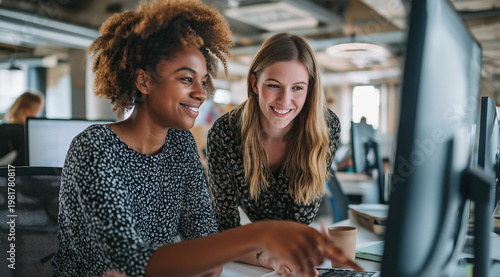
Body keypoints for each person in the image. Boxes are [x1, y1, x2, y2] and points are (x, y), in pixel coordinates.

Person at [52, 1, 357, 277]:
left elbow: (208, 244)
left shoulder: (180, 145)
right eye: (187, 79)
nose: (201, 93)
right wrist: (261, 234)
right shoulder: (94, 147)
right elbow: (127, 260)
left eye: (202, 81)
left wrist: (266, 258)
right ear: (144, 81)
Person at [207, 33, 341, 275]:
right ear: (254, 83)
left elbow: (299, 222)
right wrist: (265, 258)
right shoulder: (225, 134)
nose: (284, 100)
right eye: (273, 85)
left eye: (297, 88)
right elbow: (224, 229)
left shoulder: (325, 128)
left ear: (309, 89)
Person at [0, 91, 44, 165]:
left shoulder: (3, 128)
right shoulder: (28, 134)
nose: (37, 117)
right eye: (37, 112)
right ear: (27, 112)